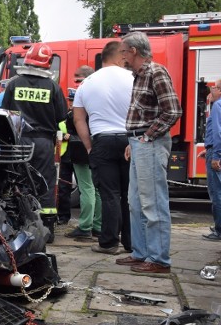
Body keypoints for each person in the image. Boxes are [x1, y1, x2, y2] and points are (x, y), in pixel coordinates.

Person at [118, 31, 182, 273]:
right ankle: (142, 253)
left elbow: (173, 111)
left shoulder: (155, 72)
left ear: (133, 51)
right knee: (136, 202)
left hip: (149, 143)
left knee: (152, 203)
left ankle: (158, 259)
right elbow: (145, 113)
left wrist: (146, 136)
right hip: (140, 143)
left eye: (124, 51)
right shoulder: (139, 75)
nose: (122, 56)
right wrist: (134, 140)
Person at [1, 42, 67, 242]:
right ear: (47, 64)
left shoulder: (13, 84)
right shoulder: (53, 87)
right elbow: (61, 117)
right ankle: (46, 231)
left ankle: (21, 227)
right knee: (45, 183)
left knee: (18, 181)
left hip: (20, 141)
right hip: (43, 142)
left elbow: (6, 112)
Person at [74, 43, 133, 255]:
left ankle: (108, 243)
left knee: (109, 194)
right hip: (130, 141)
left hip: (102, 139)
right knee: (129, 194)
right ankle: (130, 242)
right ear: (119, 57)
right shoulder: (132, 78)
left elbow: (79, 118)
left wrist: (89, 146)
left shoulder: (87, 83)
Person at [65, 67, 103, 239]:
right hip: (98, 147)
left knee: (86, 188)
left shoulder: (81, 98)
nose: (77, 83)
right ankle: (98, 225)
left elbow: (75, 122)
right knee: (96, 189)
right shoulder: (99, 97)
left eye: (78, 79)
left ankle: (85, 226)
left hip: (81, 150)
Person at [200, 79, 221, 240]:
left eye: (213, 87)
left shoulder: (218, 106)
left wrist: (215, 155)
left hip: (216, 152)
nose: (210, 91)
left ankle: (219, 230)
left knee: (216, 193)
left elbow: (218, 133)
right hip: (213, 149)